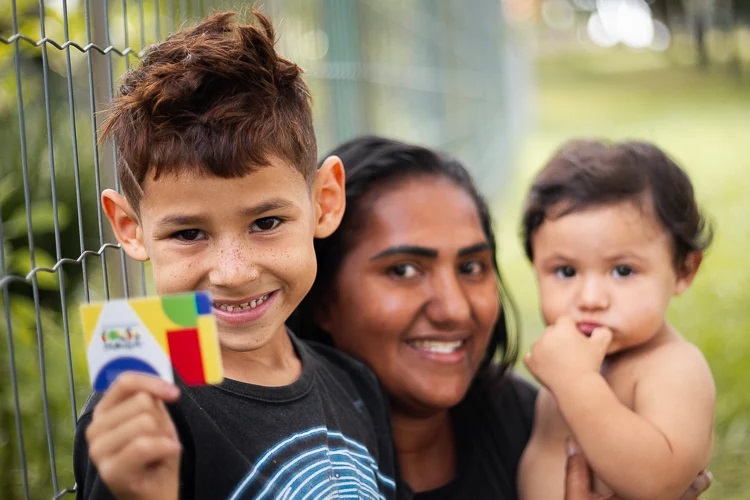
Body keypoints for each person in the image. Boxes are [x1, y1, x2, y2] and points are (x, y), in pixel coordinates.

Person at [73, 12, 398, 499]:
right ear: (129, 228)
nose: (233, 272)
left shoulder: (355, 385)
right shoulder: (139, 415)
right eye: (188, 233)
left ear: (324, 202)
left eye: (266, 223)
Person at [517, 139, 716, 499]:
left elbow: (660, 482)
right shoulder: (568, 362)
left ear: (684, 270)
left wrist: (577, 384)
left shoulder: (672, 367)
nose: (590, 299)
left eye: (623, 271)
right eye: (565, 271)